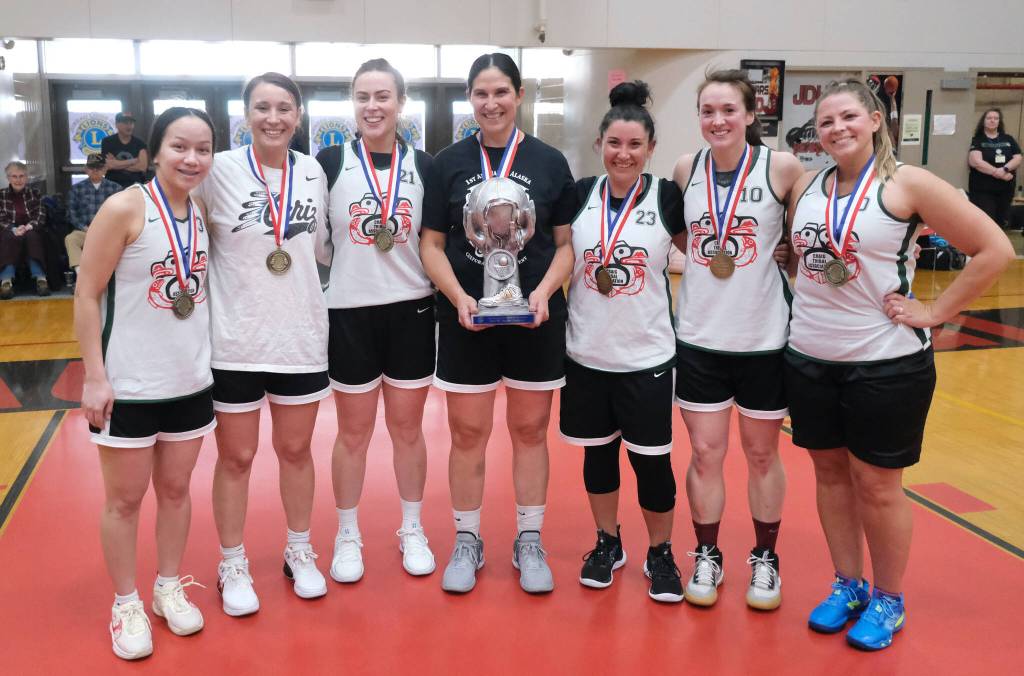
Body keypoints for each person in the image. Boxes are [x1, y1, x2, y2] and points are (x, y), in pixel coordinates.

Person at [786, 79, 1014, 651]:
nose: (835, 129)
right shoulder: (810, 186)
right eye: (826, 121)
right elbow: (809, 260)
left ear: (874, 120)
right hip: (811, 355)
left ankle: (889, 597)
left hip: (884, 363)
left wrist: (933, 309)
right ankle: (848, 583)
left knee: (879, 487)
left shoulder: (906, 182)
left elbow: (995, 250)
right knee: (830, 477)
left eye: (847, 117)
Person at [420, 53, 576, 594]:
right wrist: (461, 296)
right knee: (467, 433)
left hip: (534, 318)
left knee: (530, 431)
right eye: (481, 93)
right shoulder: (446, 163)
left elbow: (565, 246)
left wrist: (542, 293)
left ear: (519, 95)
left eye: (501, 92)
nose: (491, 103)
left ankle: (529, 540)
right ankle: (467, 540)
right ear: (470, 98)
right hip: (466, 318)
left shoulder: (551, 161)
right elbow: (432, 244)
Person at [75, 107, 217, 660]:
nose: (192, 158)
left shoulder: (200, 208)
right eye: (180, 146)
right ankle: (126, 601)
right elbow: (87, 294)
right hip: (130, 384)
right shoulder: (124, 207)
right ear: (155, 150)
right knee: (125, 500)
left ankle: (168, 585)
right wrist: (93, 376)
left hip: (189, 381)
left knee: (178, 492)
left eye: (203, 149)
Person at [194, 72, 331, 615]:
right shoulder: (218, 171)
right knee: (237, 457)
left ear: (297, 115)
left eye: (283, 108)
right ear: (245, 115)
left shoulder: (315, 172)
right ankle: (232, 561)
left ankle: (299, 549)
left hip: (299, 337)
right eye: (261, 108)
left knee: (296, 452)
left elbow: (320, 252)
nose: (273, 118)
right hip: (235, 339)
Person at [670, 69, 804, 610]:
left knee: (761, 454)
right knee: (705, 453)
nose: (718, 120)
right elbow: (683, 237)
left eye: (729, 110)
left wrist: (788, 252)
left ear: (750, 115)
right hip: (700, 336)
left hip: (764, 337)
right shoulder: (686, 168)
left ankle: (766, 558)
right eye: (707, 110)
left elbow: (800, 241)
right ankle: (707, 554)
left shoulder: (783, 167)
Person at [315, 58, 444, 582]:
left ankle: (411, 526)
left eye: (383, 96)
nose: (373, 106)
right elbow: (320, 242)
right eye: (364, 96)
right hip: (348, 311)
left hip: (411, 308)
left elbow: (433, 241)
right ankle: (348, 533)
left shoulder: (426, 165)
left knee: (408, 429)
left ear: (400, 103)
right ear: (353, 102)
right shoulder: (328, 161)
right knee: (353, 433)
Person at [560, 81, 686, 602]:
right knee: (598, 456)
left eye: (635, 145)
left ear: (650, 148)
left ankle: (660, 551)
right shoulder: (580, 194)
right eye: (615, 143)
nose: (624, 154)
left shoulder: (666, 197)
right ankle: (607, 542)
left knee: (651, 461)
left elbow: (700, 255)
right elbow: (561, 256)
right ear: (600, 144)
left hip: (647, 355)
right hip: (587, 353)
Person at [66, 153, 122, 285]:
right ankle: (81, 275)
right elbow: (71, 214)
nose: (95, 171)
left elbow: (121, 214)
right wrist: (84, 228)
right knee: (70, 239)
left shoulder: (116, 188)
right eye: (92, 168)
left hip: (108, 232)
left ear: (105, 169)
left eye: (99, 168)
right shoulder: (76, 189)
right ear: (86, 169)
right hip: (85, 230)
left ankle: (116, 278)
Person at [0, 160, 50, 297]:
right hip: (9, 230)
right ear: (8, 178)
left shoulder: (35, 193)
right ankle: (6, 281)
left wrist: (29, 226)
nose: (18, 180)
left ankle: (41, 279)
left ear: (26, 177)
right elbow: (1, 219)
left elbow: (40, 215)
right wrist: (13, 229)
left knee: (33, 236)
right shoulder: (1, 195)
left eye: (21, 176)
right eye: (14, 176)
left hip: (30, 228)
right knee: (7, 237)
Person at [967, 108, 1022, 228]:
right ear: (983, 121)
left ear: (999, 121)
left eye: (996, 118)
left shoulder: (1008, 139)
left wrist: (1004, 169)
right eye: (989, 118)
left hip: (1005, 189)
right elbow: (975, 161)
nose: (992, 121)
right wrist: (996, 172)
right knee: (987, 221)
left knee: (1001, 221)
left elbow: (1017, 158)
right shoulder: (977, 140)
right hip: (983, 190)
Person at [102, 112, 149, 189]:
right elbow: (108, 165)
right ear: (116, 124)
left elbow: (142, 167)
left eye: (131, 123)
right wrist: (133, 161)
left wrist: (116, 163)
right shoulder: (107, 142)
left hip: (135, 186)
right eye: (125, 123)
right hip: (112, 186)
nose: (129, 126)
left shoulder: (140, 143)